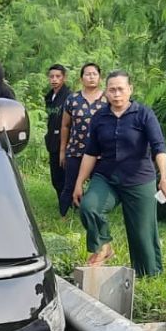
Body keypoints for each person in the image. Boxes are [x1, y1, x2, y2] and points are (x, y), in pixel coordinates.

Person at [72, 70, 166, 276]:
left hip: (139, 179)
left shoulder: (144, 114)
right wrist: (78, 183)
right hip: (107, 177)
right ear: (106, 93)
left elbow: (159, 148)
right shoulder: (100, 117)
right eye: (112, 90)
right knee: (89, 207)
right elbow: (91, 153)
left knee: (142, 233)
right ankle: (104, 246)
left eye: (120, 89)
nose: (116, 94)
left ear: (130, 90)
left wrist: (165, 177)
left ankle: (149, 275)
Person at [59, 62, 107, 216]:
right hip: (75, 151)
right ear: (81, 79)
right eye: (87, 74)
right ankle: (64, 216)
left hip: (101, 154)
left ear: (100, 78)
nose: (91, 77)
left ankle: (93, 215)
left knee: (97, 187)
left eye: (94, 74)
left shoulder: (107, 99)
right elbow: (65, 126)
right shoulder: (72, 99)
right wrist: (62, 150)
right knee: (69, 185)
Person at [44, 63, 71, 213]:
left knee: (65, 178)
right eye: (52, 76)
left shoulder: (68, 97)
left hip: (65, 143)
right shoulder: (50, 96)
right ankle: (63, 205)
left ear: (64, 78)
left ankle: (68, 208)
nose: (54, 79)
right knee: (56, 177)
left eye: (58, 76)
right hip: (52, 142)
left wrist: (65, 146)